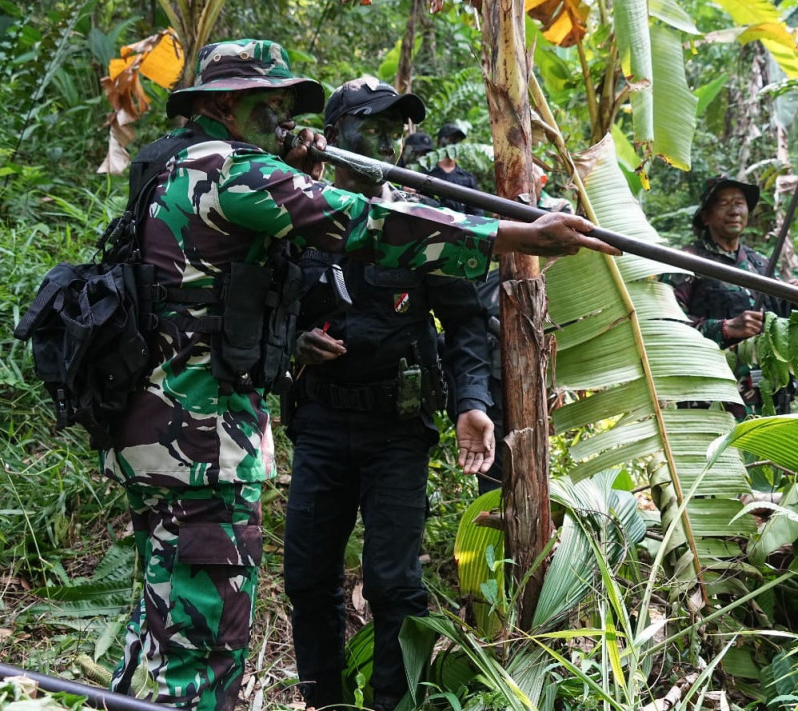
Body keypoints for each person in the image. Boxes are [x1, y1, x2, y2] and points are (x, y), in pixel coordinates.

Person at [101, 39, 615, 711]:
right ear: (227, 105)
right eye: (271, 106)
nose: (286, 122)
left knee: (165, 610)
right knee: (204, 626)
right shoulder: (235, 170)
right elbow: (362, 221)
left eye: (290, 108)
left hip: (164, 431)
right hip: (202, 441)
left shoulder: (173, 164)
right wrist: (512, 235)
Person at [283, 77, 496, 711]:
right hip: (321, 420)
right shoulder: (295, 214)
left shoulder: (417, 220)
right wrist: (295, 340)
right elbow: (260, 303)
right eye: (369, 125)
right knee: (308, 580)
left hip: (397, 430)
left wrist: (472, 404)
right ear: (335, 133)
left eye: (393, 128)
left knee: (394, 584)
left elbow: (464, 322)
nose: (382, 140)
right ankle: (324, 702)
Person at [667, 176, 798, 413]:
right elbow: (668, 326)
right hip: (714, 398)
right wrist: (725, 328)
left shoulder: (761, 264)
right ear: (705, 216)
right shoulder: (687, 261)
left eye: (739, 203)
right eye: (723, 204)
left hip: (769, 397)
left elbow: (782, 322)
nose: (734, 211)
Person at [426, 122, 485, 215]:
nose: (453, 144)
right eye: (449, 139)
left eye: (457, 141)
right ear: (438, 142)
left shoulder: (467, 178)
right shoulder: (427, 174)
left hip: (459, 226)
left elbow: (476, 211)